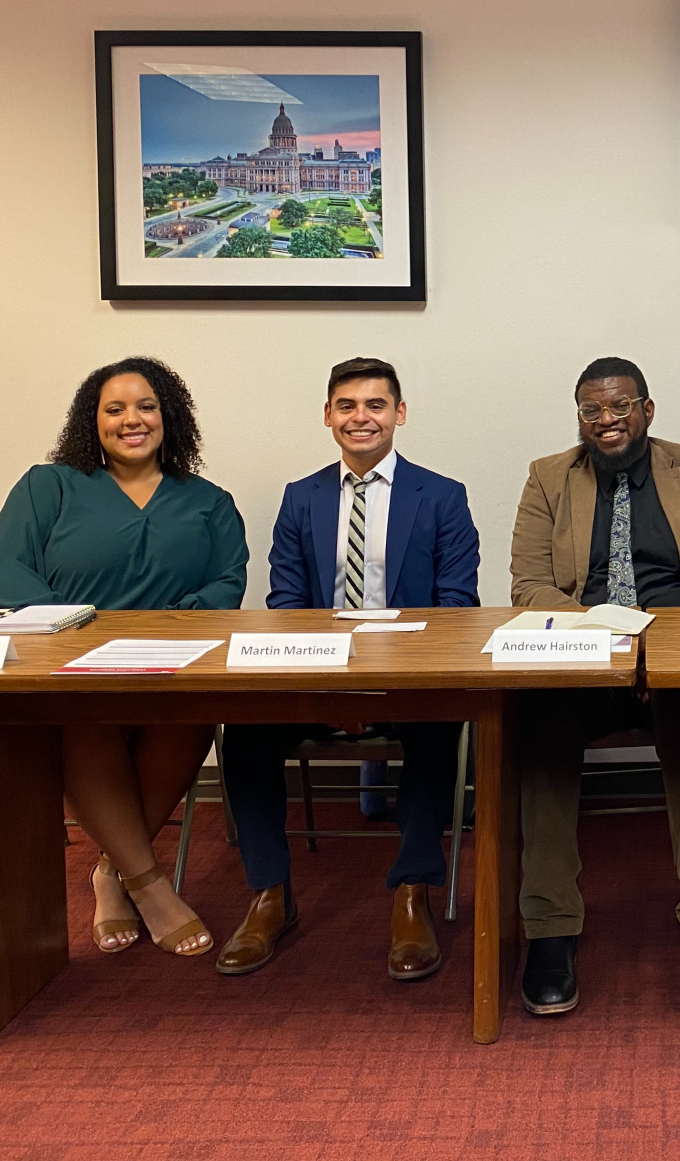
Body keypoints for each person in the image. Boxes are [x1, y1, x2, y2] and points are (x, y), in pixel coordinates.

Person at [509, 357, 680, 1017]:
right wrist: (607, 645)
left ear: (647, 411)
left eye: (620, 408)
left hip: (678, 662)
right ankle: (549, 928)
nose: (606, 422)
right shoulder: (547, 478)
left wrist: (674, 649)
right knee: (536, 731)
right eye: (592, 412)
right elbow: (529, 586)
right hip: (584, 661)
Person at [217, 357, 479, 982]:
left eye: (376, 405)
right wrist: (330, 682)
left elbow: (455, 610)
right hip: (317, 674)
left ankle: (412, 890)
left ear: (400, 414)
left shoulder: (442, 496)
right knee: (244, 731)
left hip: (409, 677)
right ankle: (269, 895)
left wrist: (384, 680)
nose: (361, 417)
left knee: (438, 731)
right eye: (347, 406)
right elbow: (285, 607)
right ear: (328, 416)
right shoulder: (300, 498)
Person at [0, 356, 246, 958]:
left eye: (147, 406)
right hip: (74, 668)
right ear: (91, 422)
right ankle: (149, 886)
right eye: (115, 409)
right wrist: (75, 633)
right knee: (84, 721)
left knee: (195, 717)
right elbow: (5, 573)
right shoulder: (47, 486)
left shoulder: (209, 501)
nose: (133, 420)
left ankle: (110, 870)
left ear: (169, 417)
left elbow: (226, 584)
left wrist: (170, 628)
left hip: (171, 667)